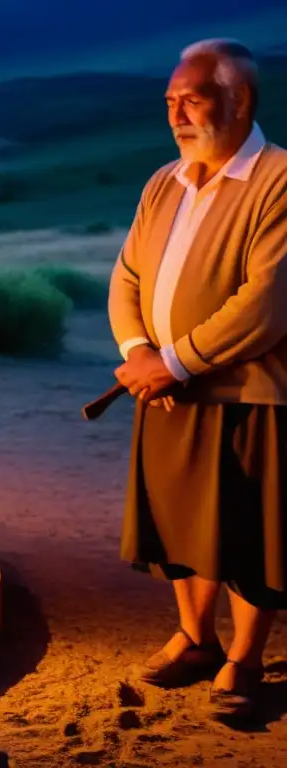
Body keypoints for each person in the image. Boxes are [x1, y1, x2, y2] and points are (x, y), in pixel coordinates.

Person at [109, 39, 287, 721]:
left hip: (250, 395)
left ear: (240, 100)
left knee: (247, 530)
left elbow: (266, 302)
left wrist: (173, 360)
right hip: (165, 390)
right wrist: (137, 348)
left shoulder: (278, 180)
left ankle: (243, 658)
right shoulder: (165, 182)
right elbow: (126, 277)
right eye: (169, 102)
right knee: (180, 524)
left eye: (193, 98)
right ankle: (194, 637)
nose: (176, 113)